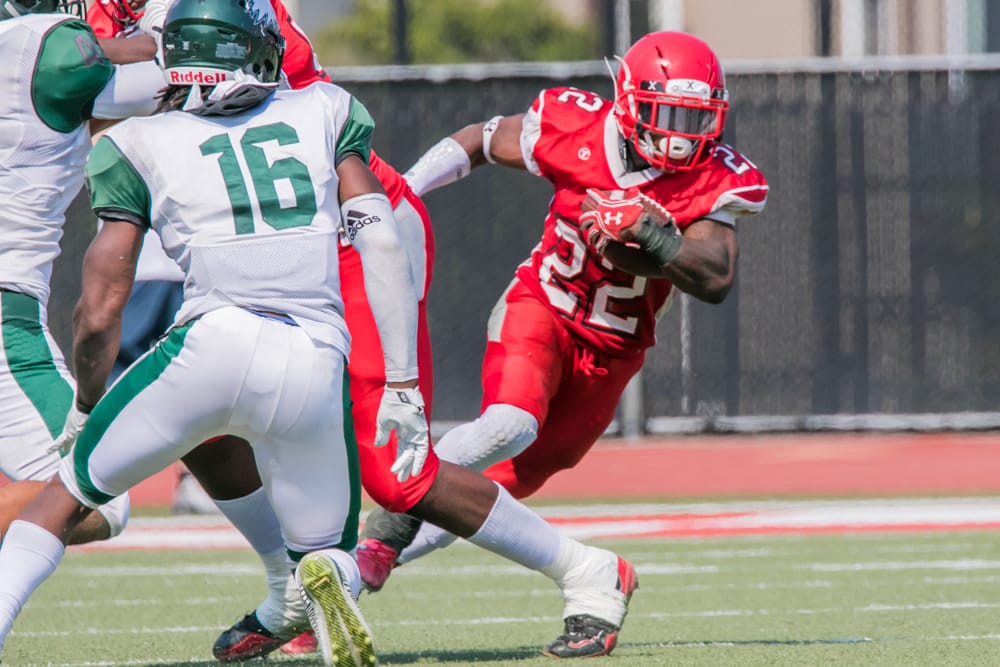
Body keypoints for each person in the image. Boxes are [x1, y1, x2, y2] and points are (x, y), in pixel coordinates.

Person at [0, 0, 433, 664]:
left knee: (64, 500)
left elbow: (98, 305)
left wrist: (89, 403)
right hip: (314, 359)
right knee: (328, 552)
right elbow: (380, 243)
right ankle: (320, 579)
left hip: (206, 348)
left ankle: (285, 590)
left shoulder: (135, 142)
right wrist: (403, 383)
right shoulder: (325, 111)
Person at [357, 30, 769, 652]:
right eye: (667, 115)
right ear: (629, 102)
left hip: (613, 351)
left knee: (503, 480)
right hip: (542, 308)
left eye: (695, 119)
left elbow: (714, 277)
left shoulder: (713, 180)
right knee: (509, 424)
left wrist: (652, 236)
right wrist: (405, 193)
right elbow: (479, 141)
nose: (682, 135)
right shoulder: (574, 125)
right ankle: (376, 540)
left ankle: (367, 560)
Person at [0, 0, 163, 546]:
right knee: (97, 494)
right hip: (5, 315)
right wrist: (162, 27)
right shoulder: (41, 45)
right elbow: (170, 77)